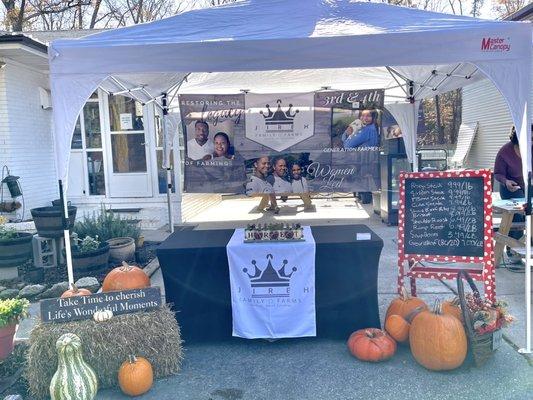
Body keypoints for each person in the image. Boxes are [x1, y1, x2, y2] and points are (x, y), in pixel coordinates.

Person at [494, 126, 525, 268]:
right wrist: (506, 182)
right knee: (518, 215)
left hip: (528, 186)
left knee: (528, 215)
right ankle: (513, 250)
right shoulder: (505, 151)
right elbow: (498, 174)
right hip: (510, 188)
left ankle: (525, 245)